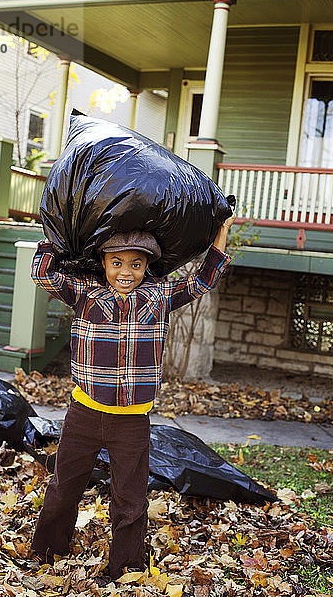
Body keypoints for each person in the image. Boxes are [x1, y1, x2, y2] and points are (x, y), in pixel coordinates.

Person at [29, 215, 235, 580]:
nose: (126, 272)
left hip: (132, 422)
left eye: (136, 264)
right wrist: (52, 235)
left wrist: (220, 237)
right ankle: (47, 551)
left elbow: (201, 281)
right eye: (117, 262)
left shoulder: (158, 298)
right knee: (64, 487)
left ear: (147, 266)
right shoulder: (87, 295)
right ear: (104, 262)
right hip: (84, 416)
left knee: (130, 499)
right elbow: (44, 275)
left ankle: (126, 567)